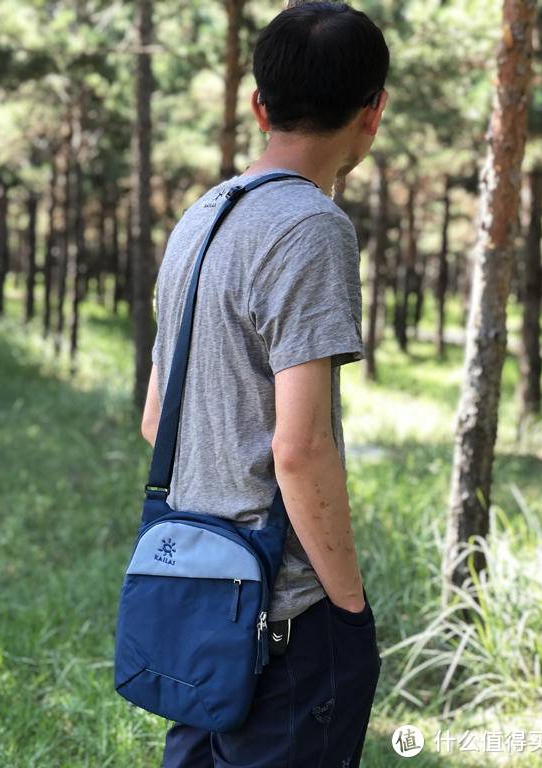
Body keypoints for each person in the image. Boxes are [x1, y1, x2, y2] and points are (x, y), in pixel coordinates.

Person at [139, 4, 390, 767]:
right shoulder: (311, 227)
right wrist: (348, 609)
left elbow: (158, 421)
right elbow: (301, 446)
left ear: (259, 106)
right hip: (283, 616)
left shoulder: (202, 217)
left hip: (194, 589)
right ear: (372, 114)